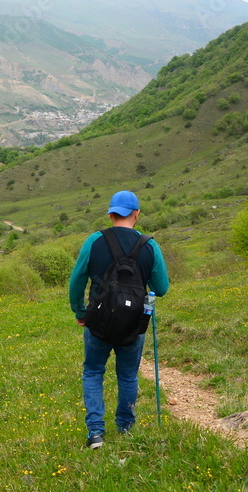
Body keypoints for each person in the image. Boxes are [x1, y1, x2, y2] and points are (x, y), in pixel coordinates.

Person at [68, 189, 169, 449]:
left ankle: (96, 434)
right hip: (134, 324)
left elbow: (77, 281)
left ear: (111, 214)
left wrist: (80, 312)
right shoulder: (150, 245)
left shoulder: (94, 241)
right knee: (127, 376)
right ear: (136, 214)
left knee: (93, 372)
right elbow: (162, 287)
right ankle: (126, 428)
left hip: (98, 322)